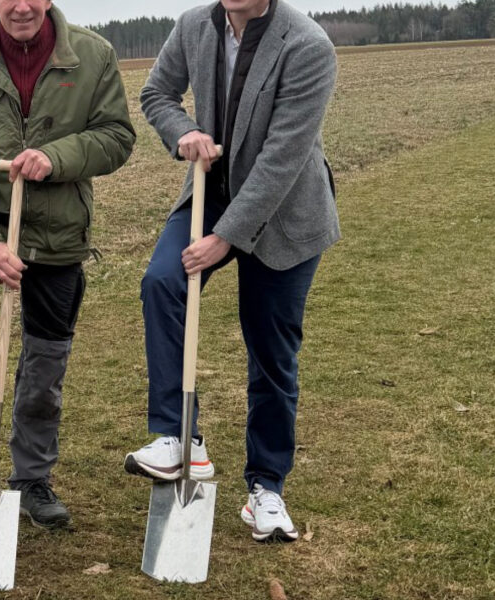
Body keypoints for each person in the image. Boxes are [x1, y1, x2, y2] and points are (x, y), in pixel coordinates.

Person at [124, 0, 338, 543]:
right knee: (162, 283)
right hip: (209, 197)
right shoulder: (193, 24)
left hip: (285, 213)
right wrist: (183, 133)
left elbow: (282, 158)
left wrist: (226, 239)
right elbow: (157, 94)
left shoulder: (308, 46)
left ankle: (267, 487)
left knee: (271, 351)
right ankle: (178, 437)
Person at [0, 0, 135, 529]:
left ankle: (31, 477)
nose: (21, 6)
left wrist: (55, 157)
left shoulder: (93, 55)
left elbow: (116, 136)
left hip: (58, 230)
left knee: (44, 363)